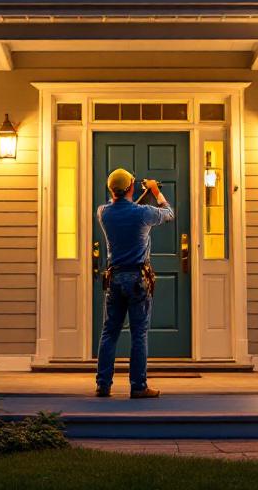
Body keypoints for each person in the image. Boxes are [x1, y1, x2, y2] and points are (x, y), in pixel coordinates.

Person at [94, 167, 174, 399]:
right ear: (130, 187)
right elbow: (168, 212)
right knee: (139, 334)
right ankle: (138, 386)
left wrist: (133, 193)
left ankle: (103, 384)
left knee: (109, 332)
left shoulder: (103, 213)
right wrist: (155, 191)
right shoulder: (143, 213)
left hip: (115, 278)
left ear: (111, 189)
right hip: (138, 279)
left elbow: (120, 204)